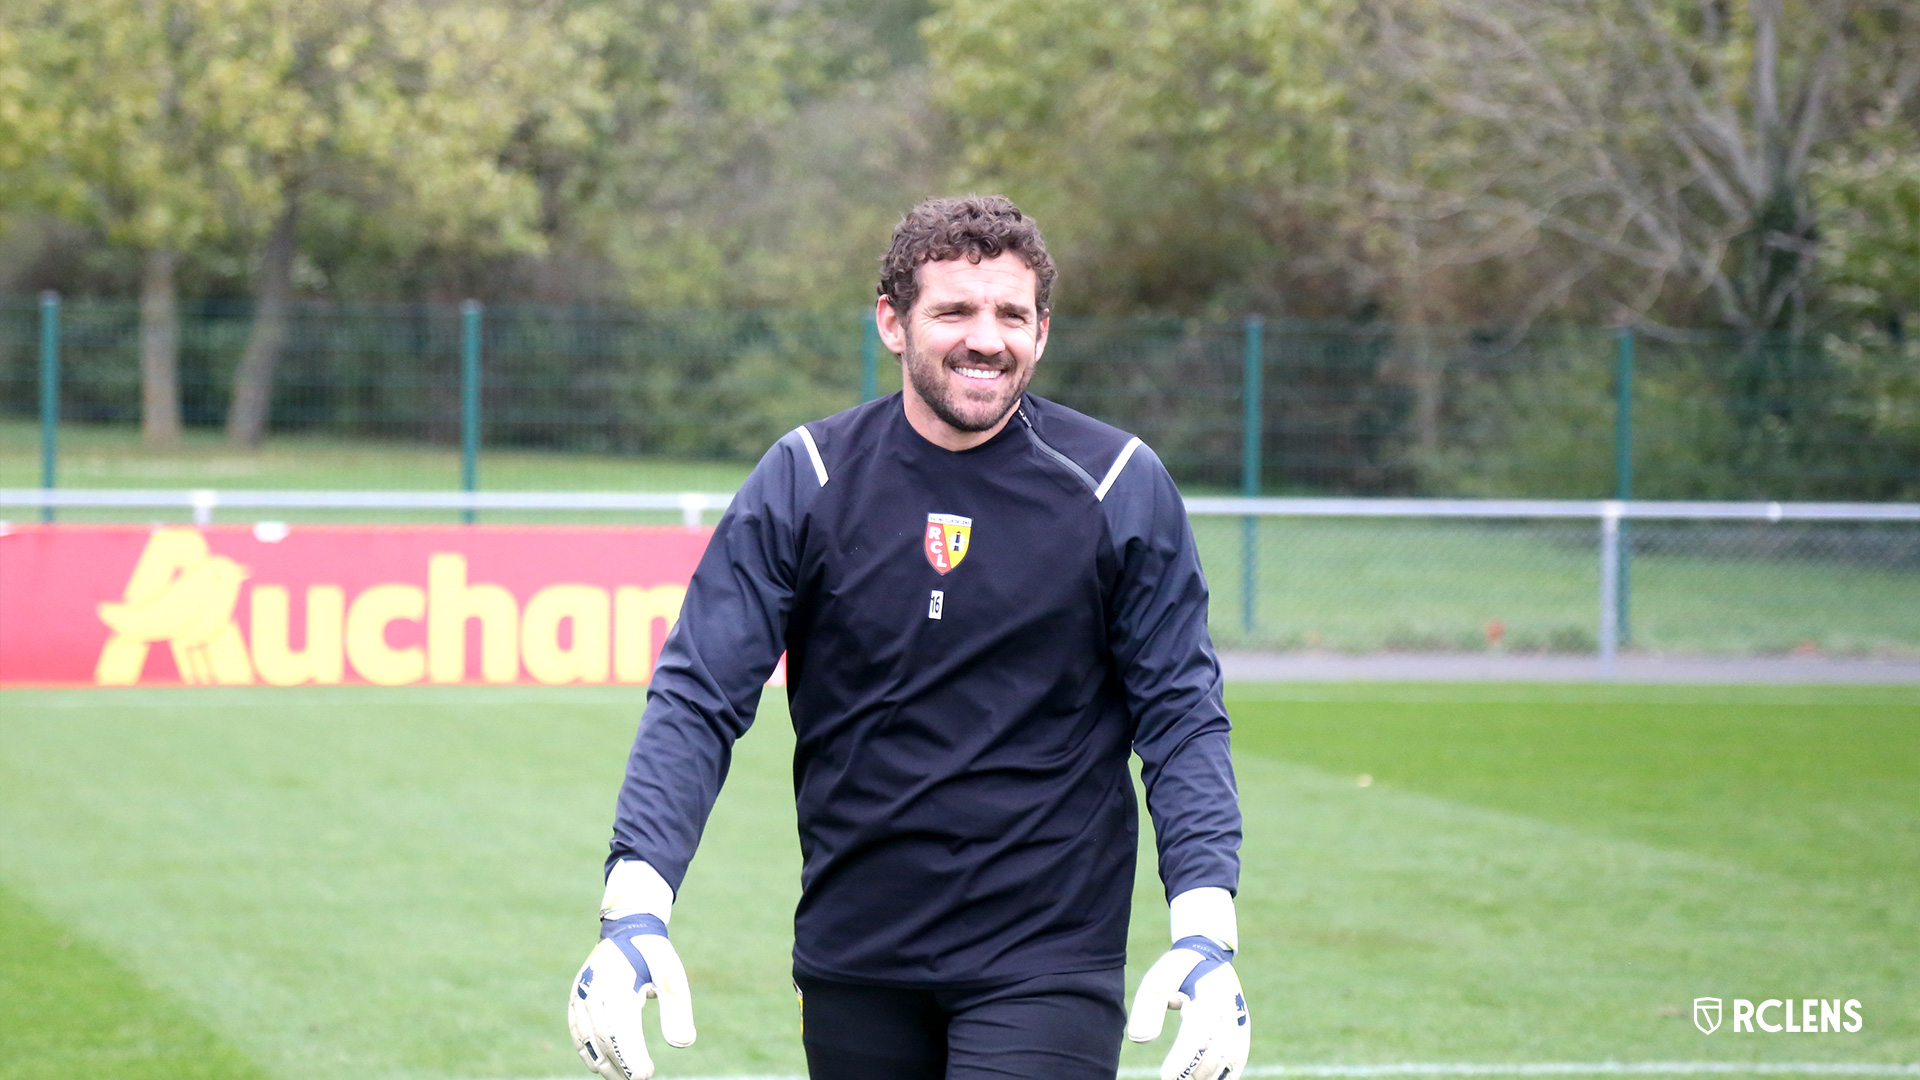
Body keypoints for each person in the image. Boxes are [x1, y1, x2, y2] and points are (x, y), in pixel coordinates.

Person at [567, 195, 1248, 1080]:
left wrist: (1206, 929)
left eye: (1012, 314)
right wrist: (633, 910)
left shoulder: (1116, 483)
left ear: (1042, 332)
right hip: (855, 951)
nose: (987, 338)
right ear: (892, 322)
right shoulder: (808, 477)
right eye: (955, 310)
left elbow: (1182, 715)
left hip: (1044, 957)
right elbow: (700, 695)